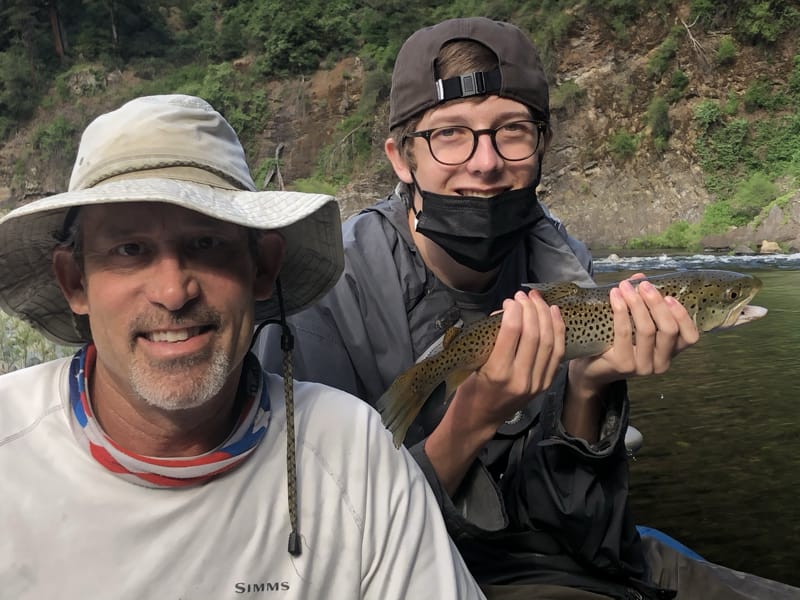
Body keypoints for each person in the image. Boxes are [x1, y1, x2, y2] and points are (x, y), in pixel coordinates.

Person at [257, 17, 800, 600]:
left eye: (511, 131)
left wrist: (590, 390)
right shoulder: (322, 290)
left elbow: (584, 527)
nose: (485, 162)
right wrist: (472, 418)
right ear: (401, 157)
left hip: (575, 560)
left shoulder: (564, 264)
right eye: (450, 134)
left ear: (541, 146)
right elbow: (311, 552)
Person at [0, 94, 486, 600]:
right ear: (74, 281)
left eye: (206, 244)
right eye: (130, 250)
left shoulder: (354, 452)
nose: (173, 292)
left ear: (262, 267)